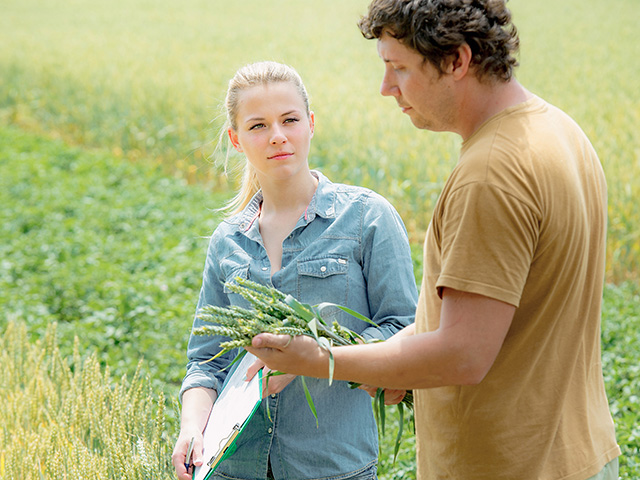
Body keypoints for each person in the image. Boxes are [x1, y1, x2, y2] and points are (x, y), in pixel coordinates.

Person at [246, 2, 621, 479]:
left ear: (456, 61)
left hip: (510, 465)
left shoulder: (489, 175)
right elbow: (506, 317)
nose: (386, 88)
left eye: (398, 68)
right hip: (578, 451)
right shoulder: (558, 130)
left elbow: (463, 353)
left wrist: (321, 358)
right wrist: (390, 364)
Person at [171, 60, 418, 480]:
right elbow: (206, 362)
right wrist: (191, 427)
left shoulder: (366, 218)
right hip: (234, 468)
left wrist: (317, 355)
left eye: (289, 120)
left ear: (311, 124)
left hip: (333, 468)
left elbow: (404, 331)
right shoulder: (228, 240)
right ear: (236, 139)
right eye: (258, 126)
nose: (278, 136)